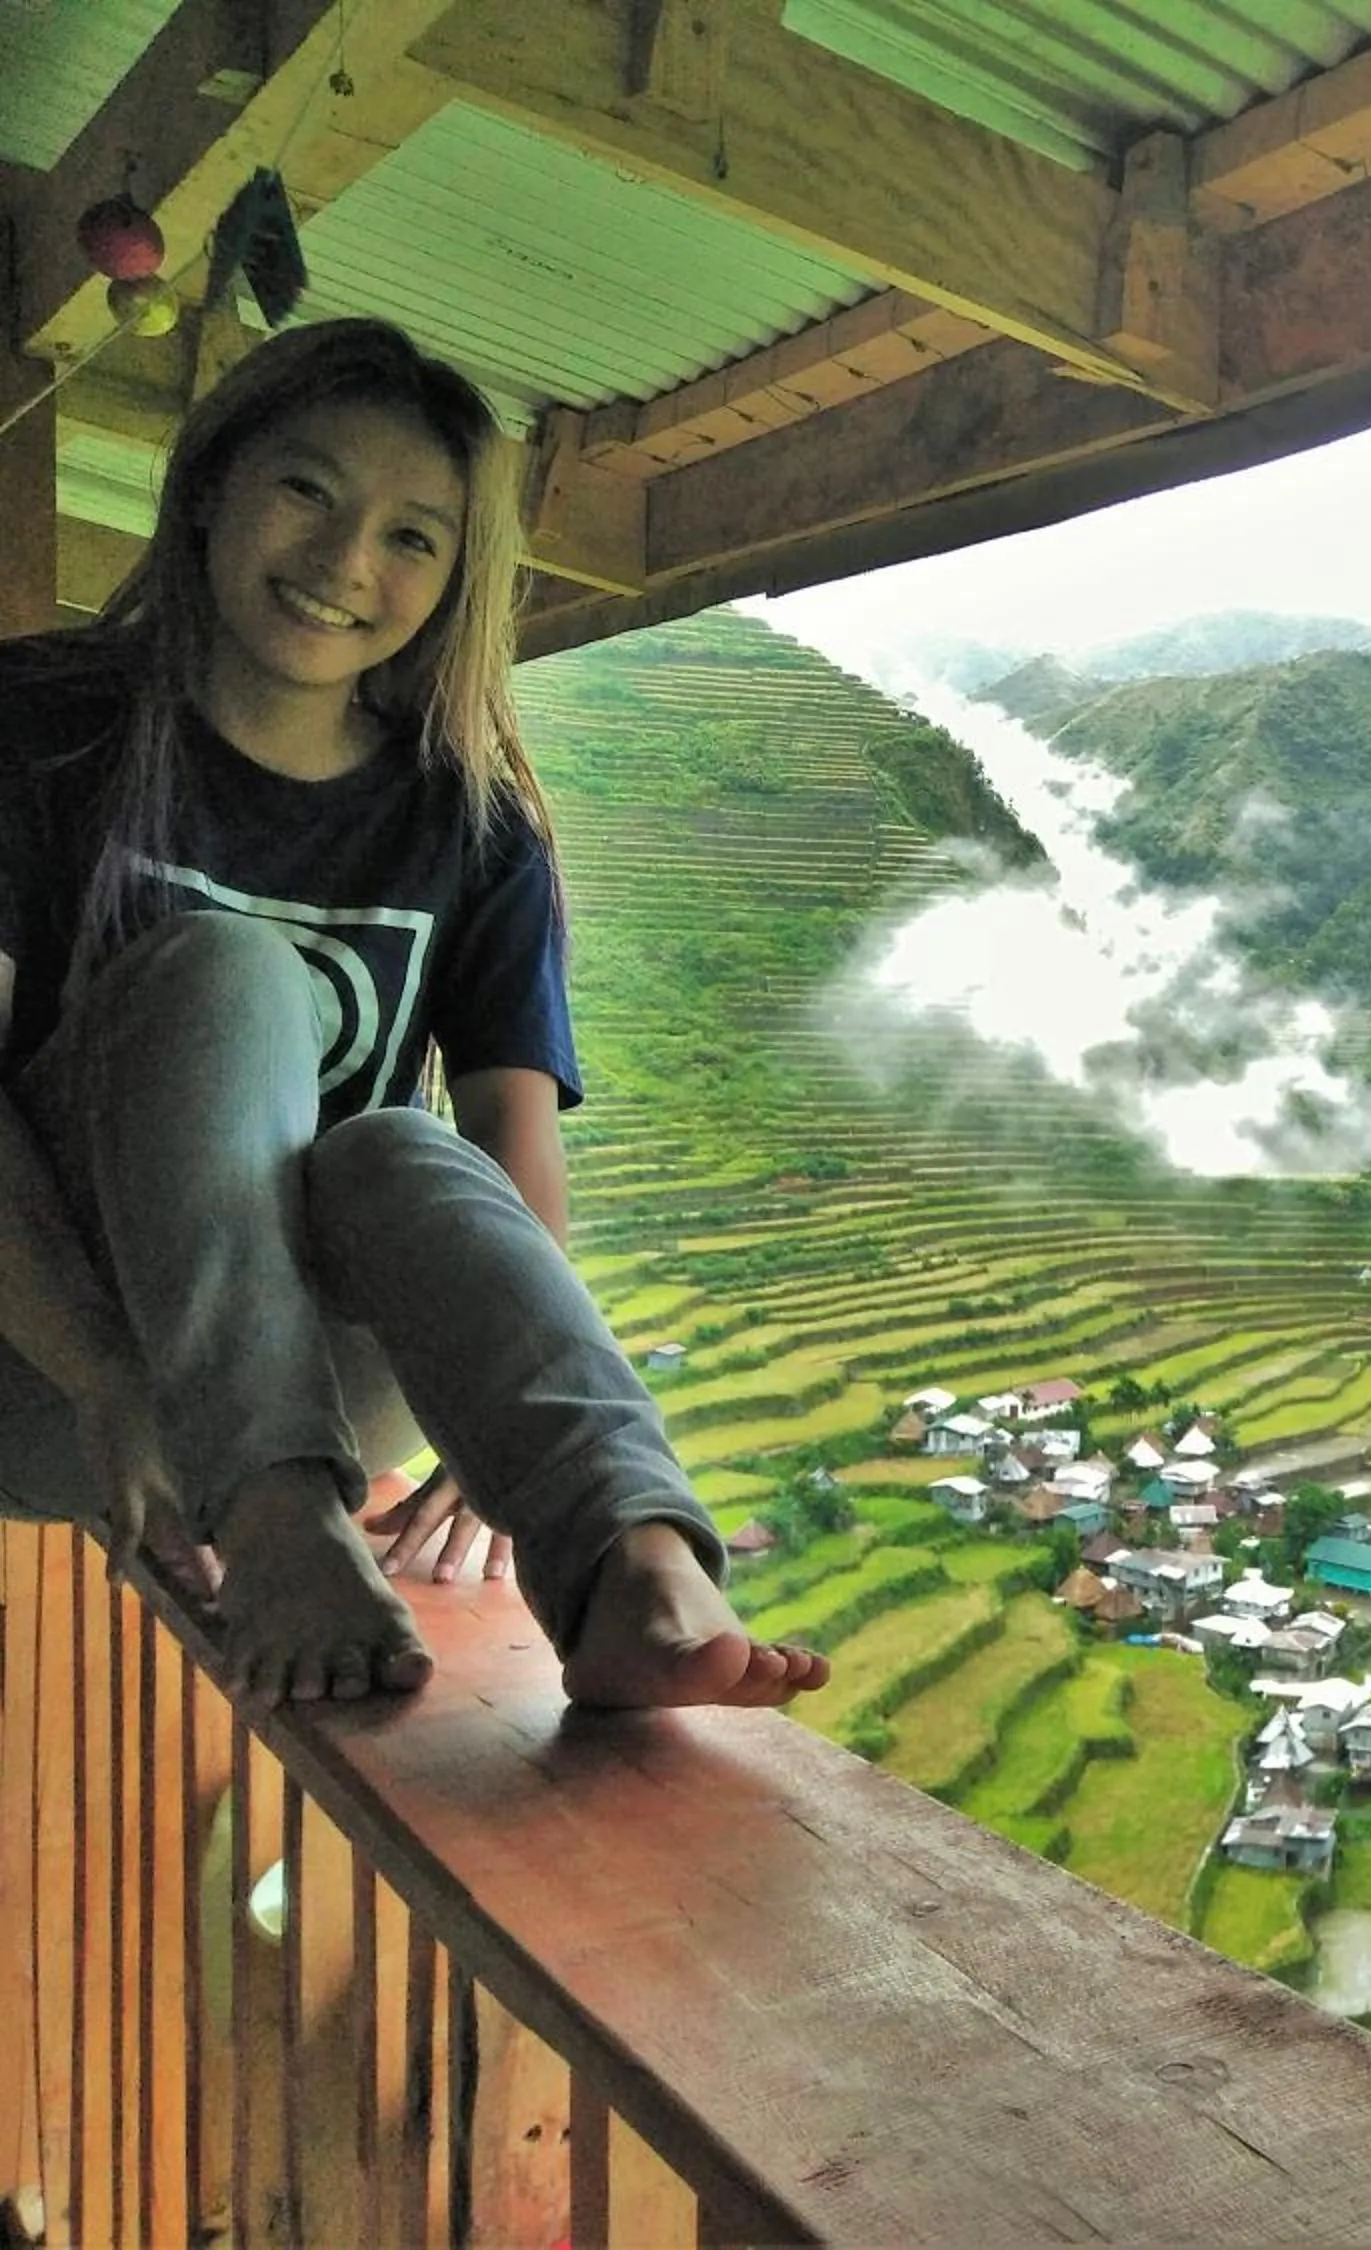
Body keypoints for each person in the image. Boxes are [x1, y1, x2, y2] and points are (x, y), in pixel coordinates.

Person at [0, 317, 830, 1714]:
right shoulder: (39, 720)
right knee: (229, 973)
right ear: (210, 485)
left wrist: (495, 1447)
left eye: (412, 538)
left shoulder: (473, 823)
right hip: (55, 1362)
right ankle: (276, 1515)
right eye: (308, 491)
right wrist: (100, 1370)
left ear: (454, 583)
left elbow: (507, 1148)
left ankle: (628, 1556)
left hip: (327, 1384)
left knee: (397, 1146)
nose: (344, 563)